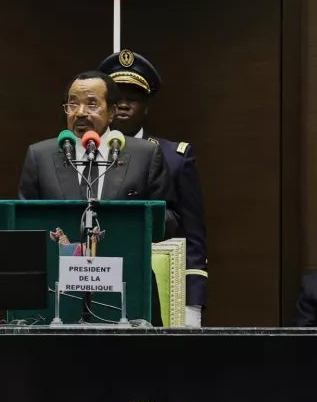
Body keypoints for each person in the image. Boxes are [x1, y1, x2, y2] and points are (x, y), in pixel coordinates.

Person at [97, 50, 208, 326]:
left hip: (153, 285)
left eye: (132, 100)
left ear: (146, 108)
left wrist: (190, 303)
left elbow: (191, 236)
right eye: (116, 100)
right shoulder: (83, 154)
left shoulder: (174, 157)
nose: (123, 106)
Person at [17, 70, 178, 234]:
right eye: (73, 104)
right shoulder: (40, 156)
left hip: (124, 255)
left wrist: (128, 223)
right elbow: (25, 219)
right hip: (60, 255)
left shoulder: (145, 155)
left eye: (91, 104)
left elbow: (169, 217)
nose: (80, 112)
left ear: (111, 112)